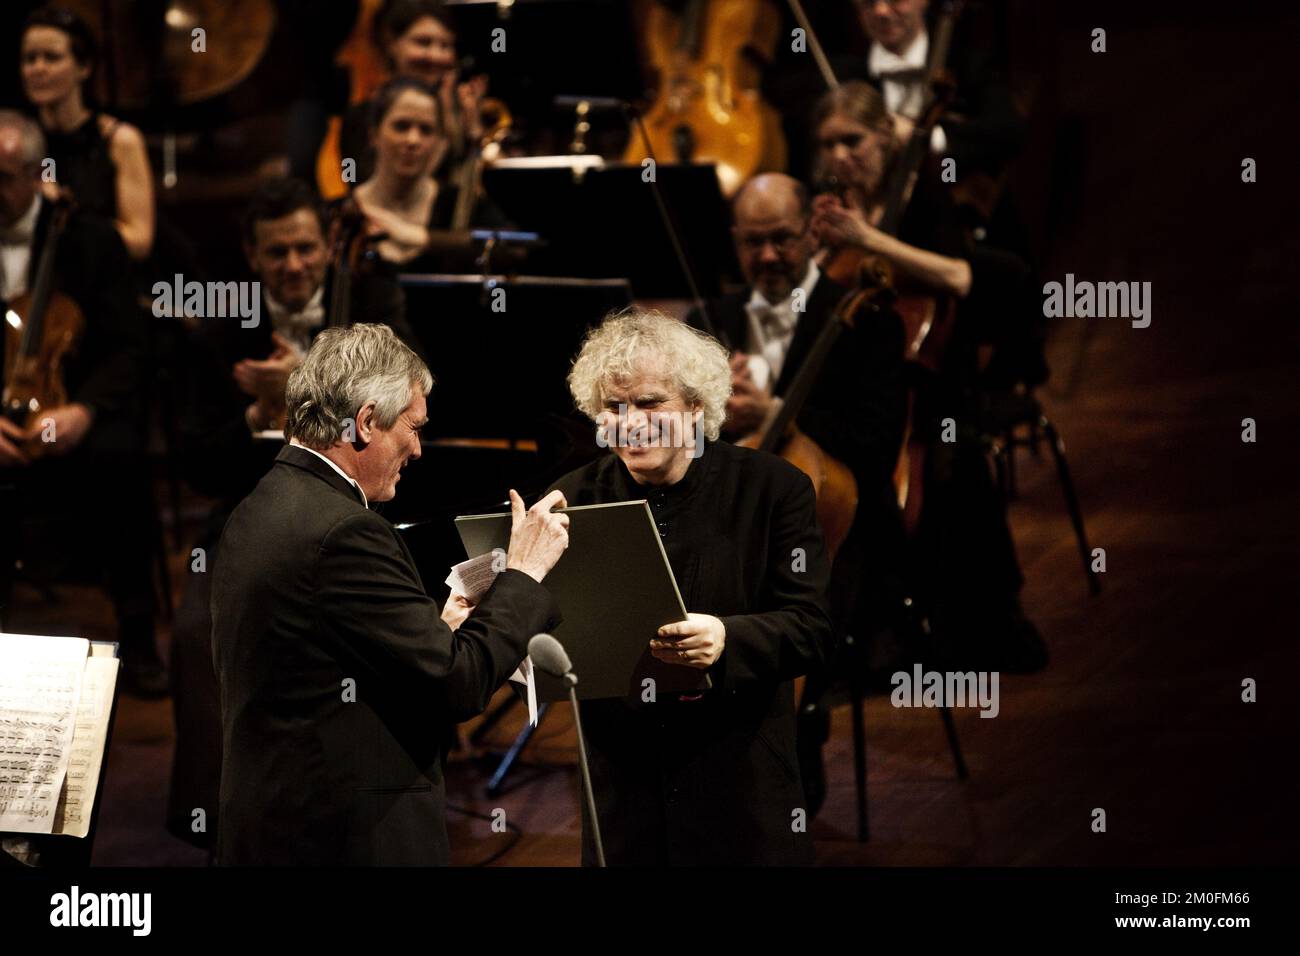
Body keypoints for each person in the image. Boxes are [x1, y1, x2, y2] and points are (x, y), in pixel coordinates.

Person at [210, 323, 570, 865]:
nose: (419, 449)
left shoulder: (264, 502)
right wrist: (523, 572)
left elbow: (329, 658)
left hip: (278, 822)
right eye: (413, 427)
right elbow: (459, 684)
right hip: (343, 838)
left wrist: (438, 633)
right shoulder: (345, 532)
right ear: (365, 422)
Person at [166, 176, 427, 849]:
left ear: (327, 246)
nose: (294, 266)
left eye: (307, 248)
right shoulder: (221, 321)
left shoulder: (372, 299)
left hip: (366, 514)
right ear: (252, 258)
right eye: (277, 252)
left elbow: (402, 415)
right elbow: (197, 460)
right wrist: (258, 414)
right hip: (251, 509)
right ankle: (222, 820)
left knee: (412, 631)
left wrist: (300, 393)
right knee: (198, 630)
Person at [551, 309, 834, 865]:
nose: (630, 423)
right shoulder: (570, 499)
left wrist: (727, 638)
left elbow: (813, 629)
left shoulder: (773, 490)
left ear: (697, 407)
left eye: (651, 403)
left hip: (738, 779)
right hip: (625, 787)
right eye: (613, 407)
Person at [687, 172, 907, 814]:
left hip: (844, 534)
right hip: (729, 528)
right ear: (734, 242)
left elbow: (874, 443)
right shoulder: (710, 321)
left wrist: (779, 411)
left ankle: (788, 777)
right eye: (753, 243)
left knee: (786, 613)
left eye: (782, 239)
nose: (768, 257)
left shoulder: (866, 316)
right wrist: (707, 420)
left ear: (812, 232)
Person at [0, 109, 163, 695]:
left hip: (71, 410)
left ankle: (138, 638)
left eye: (4, 179)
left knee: (119, 455)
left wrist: (81, 412)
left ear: (33, 173)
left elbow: (129, 349)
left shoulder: (88, 237)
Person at [19, 4, 154, 262]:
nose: (38, 68)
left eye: (51, 57)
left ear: (84, 67)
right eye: (29, 58)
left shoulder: (119, 140)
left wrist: (68, 215)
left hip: (103, 281)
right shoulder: (16, 140)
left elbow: (139, 241)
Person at [353, 77, 507, 269]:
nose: (413, 140)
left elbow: (515, 248)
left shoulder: (458, 203)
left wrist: (415, 235)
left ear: (440, 142)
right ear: (374, 134)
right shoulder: (346, 211)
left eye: (426, 130)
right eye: (401, 126)